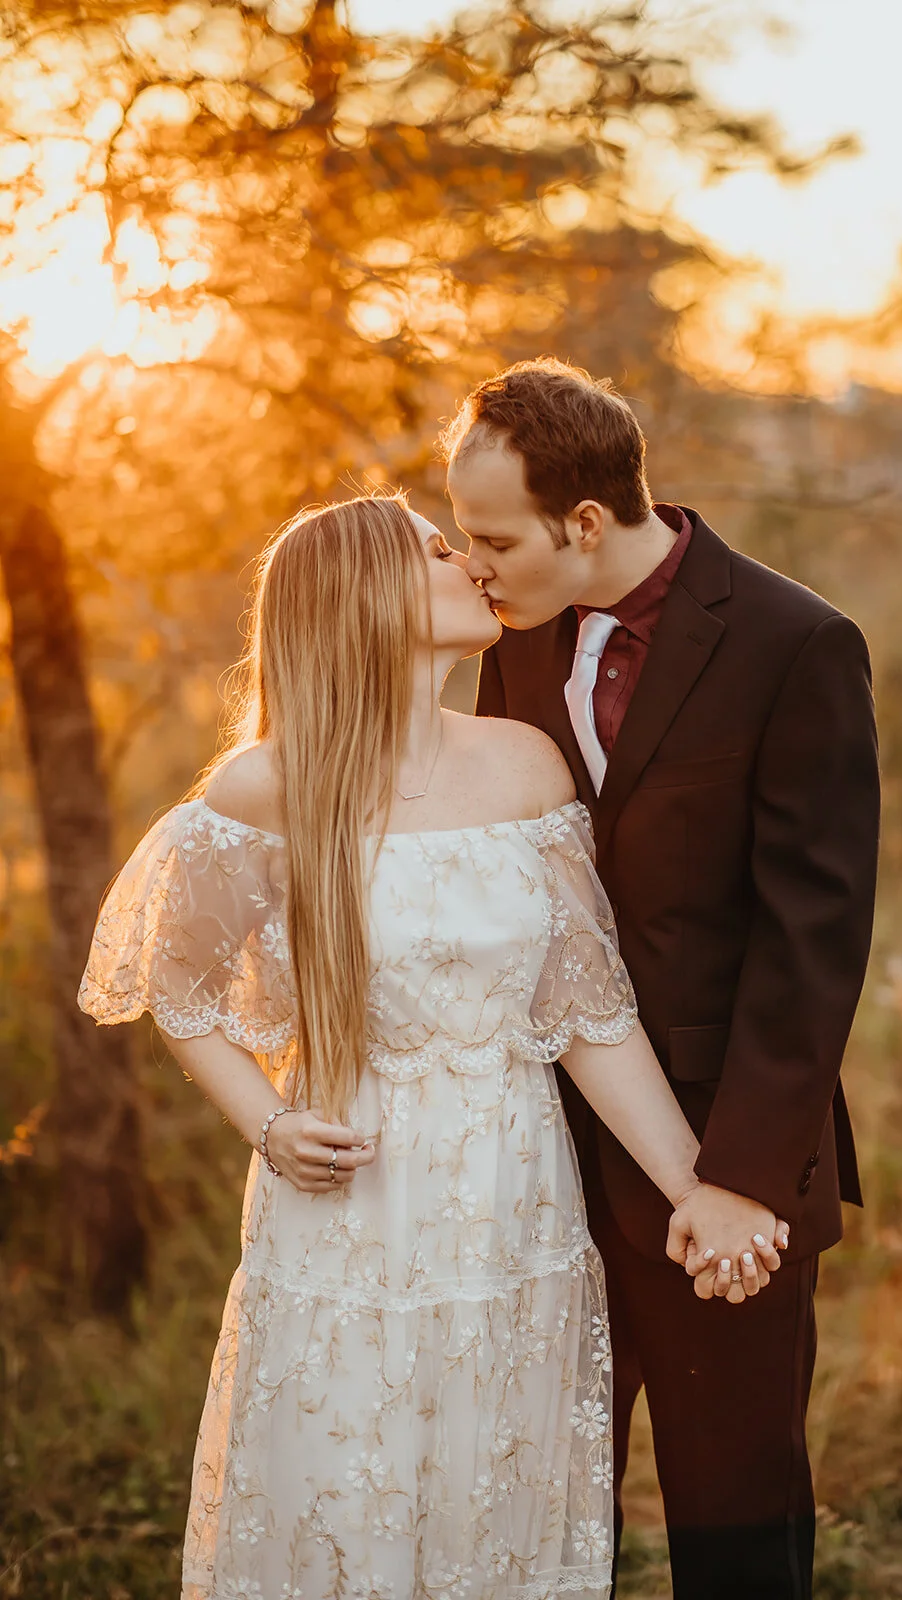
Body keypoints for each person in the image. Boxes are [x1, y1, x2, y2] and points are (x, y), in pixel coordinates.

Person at [78, 495, 785, 1600]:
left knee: (493, 1497)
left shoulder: (527, 766)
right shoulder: (265, 787)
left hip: (514, 1204)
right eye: (437, 549)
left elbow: (589, 1016)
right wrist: (266, 1124)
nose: (470, 562)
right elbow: (177, 993)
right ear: (368, 594)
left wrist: (696, 1188)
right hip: (349, 1208)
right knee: (348, 1492)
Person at [443, 358, 881, 1600]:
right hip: (531, 1161)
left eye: (491, 539)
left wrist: (738, 1179)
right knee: (533, 1500)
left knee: (734, 1515)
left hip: (721, 1167)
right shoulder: (516, 640)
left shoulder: (797, 643)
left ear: (582, 524)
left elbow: (815, 937)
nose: (471, 567)